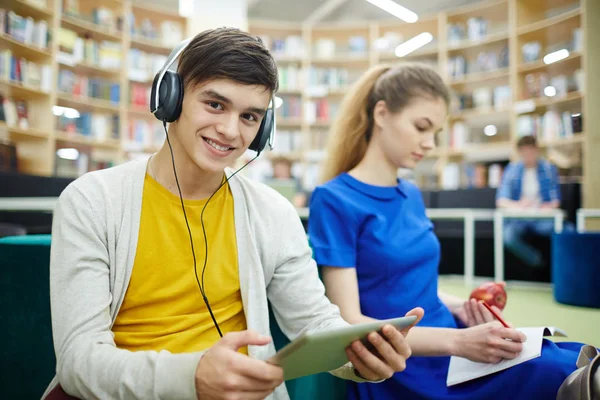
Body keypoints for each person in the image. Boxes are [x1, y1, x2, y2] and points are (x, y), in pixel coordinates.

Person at [42, 29, 423, 400]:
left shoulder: (272, 212)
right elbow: (80, 362)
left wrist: (362, 358)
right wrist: (192, 378)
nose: (229, 131)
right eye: (215, 104)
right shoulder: (93, 200)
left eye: (250, 117)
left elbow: (315, 321)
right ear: (171, 98)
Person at [308, 63, 583, 400]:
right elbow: (349, 321)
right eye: (421, 127)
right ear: (381, 114)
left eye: (436, 132)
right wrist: (458, 342)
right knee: (561, 374)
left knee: (578, 357)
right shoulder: (335, 199)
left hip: (452, 340)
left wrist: (460, 306)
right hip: (406, 363)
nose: (430, 144)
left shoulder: (409, 194)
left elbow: (413, 285)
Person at [496, 135, 571, 267]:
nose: (528, 156)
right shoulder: (512, 170)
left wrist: (545, 206)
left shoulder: (548, 169)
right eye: (524, 153)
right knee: (508, 236)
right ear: (520, 153)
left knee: (569, 231)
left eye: (531, 151)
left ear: (536, 150)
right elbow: (501, 200)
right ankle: (538, 262)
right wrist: (518, 205)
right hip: (519, 220)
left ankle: (562, 268)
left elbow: (556, 201)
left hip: (542, 220)